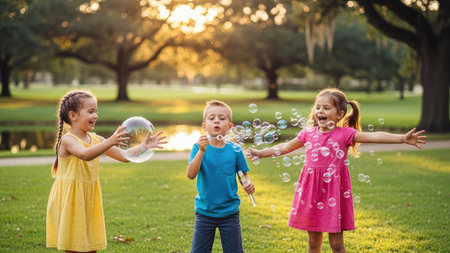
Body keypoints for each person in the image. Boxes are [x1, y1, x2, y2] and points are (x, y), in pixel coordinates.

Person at [247, 87, 426, 253]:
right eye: (318, 107)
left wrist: (402, 138)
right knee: (313, 243)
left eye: (326, 108)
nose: (320, 111)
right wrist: (261, 153)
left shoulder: (345, 134)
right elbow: (285, 147)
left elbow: (373, 136)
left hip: (334, 192)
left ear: (340, 114)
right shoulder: (308, 133)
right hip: (311, 191)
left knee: (337, 244)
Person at [46, 90, 167, 253]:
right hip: (71, 199)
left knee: (90, 246)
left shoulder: (97, 140)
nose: (95, 115)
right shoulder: (67, 140)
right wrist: (110, 141)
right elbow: (85, 154)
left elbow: (124, 156)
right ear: (73, 115)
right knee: (74, 247)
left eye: (96, 111)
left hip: (88, 197)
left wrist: (143, 147)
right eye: (90, 111)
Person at [187, 100, 256, 253]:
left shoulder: (235, 150)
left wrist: (248, 184)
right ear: (204, 126)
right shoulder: (198, 147)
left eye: (222, 118)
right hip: (205, 212)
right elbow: (191, 174)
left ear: (230, 127)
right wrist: (201, 151)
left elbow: (243, 175)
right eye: (211, 118)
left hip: (230, 213)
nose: (216, 120)